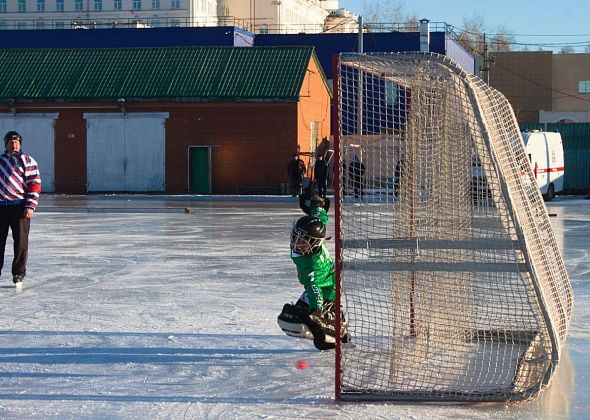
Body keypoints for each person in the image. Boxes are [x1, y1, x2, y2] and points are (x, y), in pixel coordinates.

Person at [277, 188, 347, 350]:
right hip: (329, 278)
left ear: (314, 243)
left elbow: (314, 289)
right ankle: (335, 325)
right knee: (292, 317)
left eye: (303, 241)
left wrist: (316, 312)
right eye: (297, 238)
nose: (297, 244)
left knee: (294, 320)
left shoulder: (310, 267)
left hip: (327, 288)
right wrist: (318, 206)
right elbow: (319, 220)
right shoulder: (316, 240)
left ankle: (335, 331)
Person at [0, 131, 41, 289]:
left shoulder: (27, 160)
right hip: (1, 207)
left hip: (19, 207)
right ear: (6, 143)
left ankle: (18, 273)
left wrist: (30, 206)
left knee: (21, 242)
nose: (14, 144)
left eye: (17, 141)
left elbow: (34, 184)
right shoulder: (1, 161)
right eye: (11, 141)